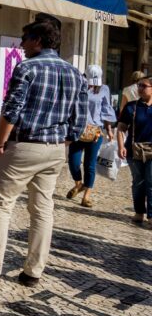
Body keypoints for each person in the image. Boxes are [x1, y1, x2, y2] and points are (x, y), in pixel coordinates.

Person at [0, 20, 86, 287]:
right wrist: (64, 140)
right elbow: (79, 120)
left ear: (38, 40)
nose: (22, 43)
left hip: (24, 144)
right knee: (42, 209)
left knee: (0, 204)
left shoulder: (27, 68)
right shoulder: (75, 73)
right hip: (55, 150)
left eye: (25, 37)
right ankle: (33, 272)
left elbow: (12, 109)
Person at [65, 64, 116, 209]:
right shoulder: (78, 85)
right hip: (77, 130)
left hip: (95, 132)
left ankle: (86, 196)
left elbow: (105, 109)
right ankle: (79, 184)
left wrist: (109, 129)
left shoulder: (104, 89)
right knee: (73, 162)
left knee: (90, 164)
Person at [116, 76, 152, 225]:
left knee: (151, 182)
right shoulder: (131, 107)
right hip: (134, 150)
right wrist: (120, 146)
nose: (140, 88)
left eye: (144, 86)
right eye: (139, 85)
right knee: (138, 182)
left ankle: (151, 216)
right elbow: (121, 128)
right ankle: (139, 212)